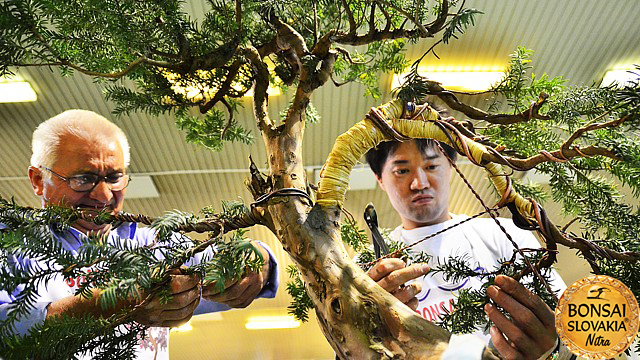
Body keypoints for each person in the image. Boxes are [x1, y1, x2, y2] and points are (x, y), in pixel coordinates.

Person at [0, 109, 279, 359]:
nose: (103, 194)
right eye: (83, 179)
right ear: (39, 180)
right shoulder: (9, 247)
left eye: (113, 177)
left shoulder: (154, 245)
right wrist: (106, 304)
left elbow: (225, 262)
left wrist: (258, 260)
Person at [364, 137, 581, 360]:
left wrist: (556, 353)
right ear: (380, 178)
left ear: (450, 166)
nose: (419, 183)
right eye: (402, 171)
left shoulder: (505, 235)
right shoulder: (369, 268)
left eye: (431, 166)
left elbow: (572, 328)